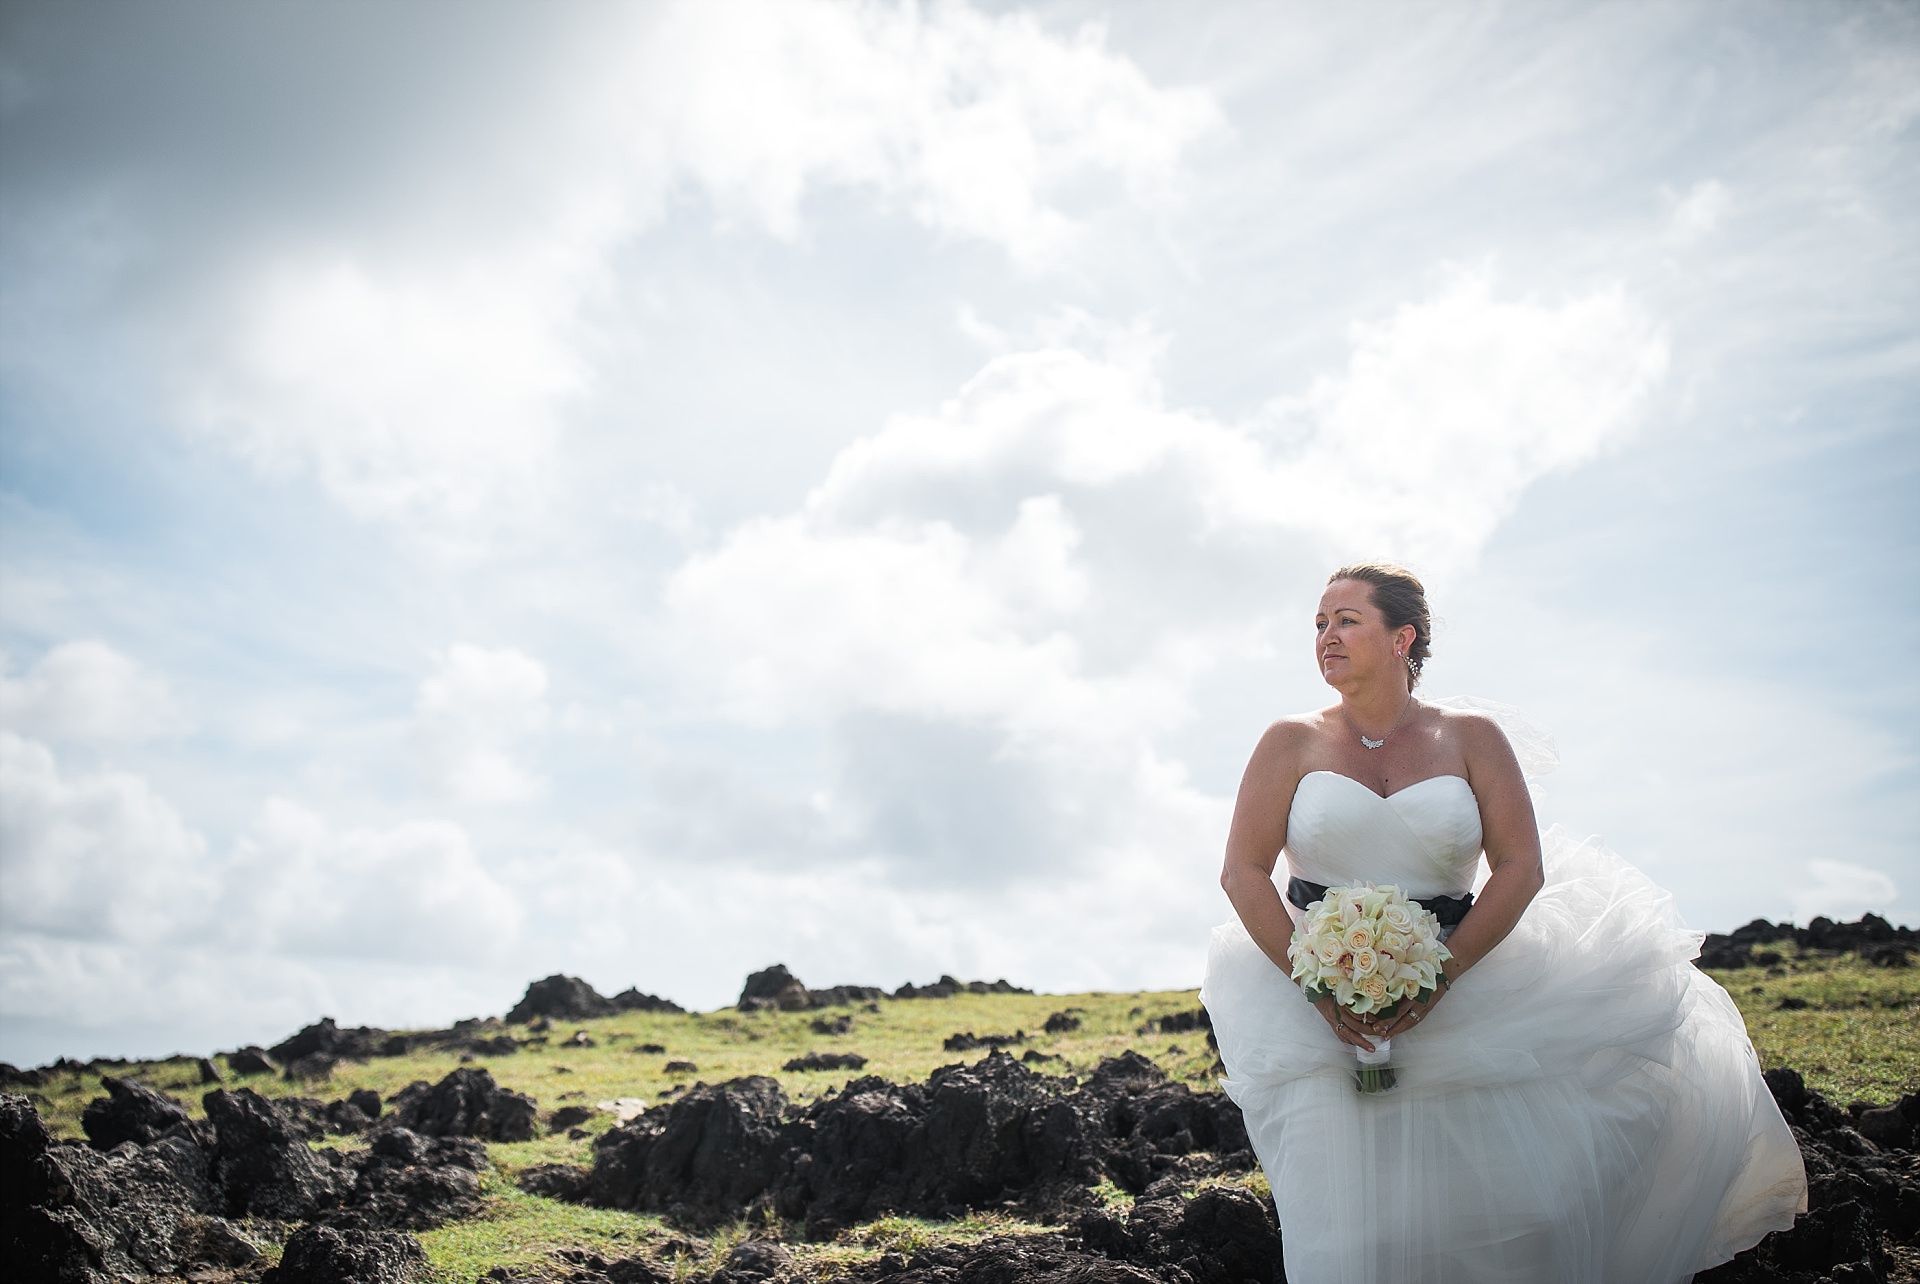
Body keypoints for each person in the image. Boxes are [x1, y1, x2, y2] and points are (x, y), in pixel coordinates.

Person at [1201, 562, 1807, 1284]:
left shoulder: (1472, 738)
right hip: (1307, 1001)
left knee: (1499, 1213)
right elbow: (1243, 871)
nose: (1326, 637)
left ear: (1404, 638)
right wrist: (1316, 982)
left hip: (1464, 982)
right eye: (1319, 624)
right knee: (1337, 1223)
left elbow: (1521, 867)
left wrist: (1442, 975)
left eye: (1346, 620)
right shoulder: (1288, 741)